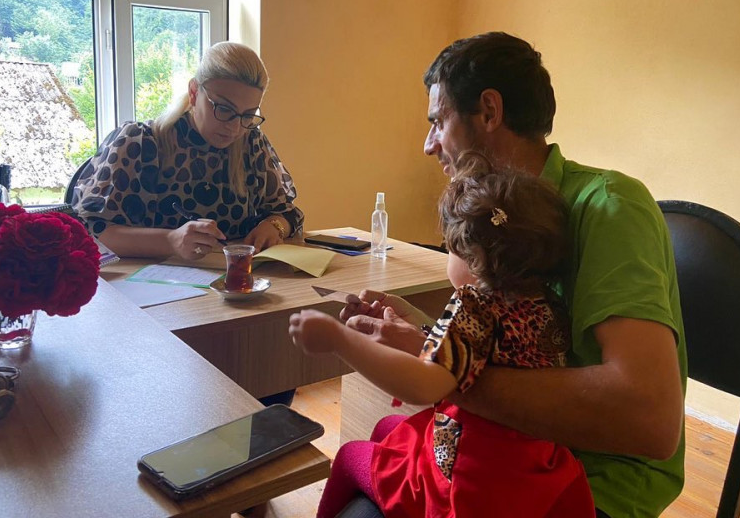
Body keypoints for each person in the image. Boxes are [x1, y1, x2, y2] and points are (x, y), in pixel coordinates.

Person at [338, 32, 686, 518]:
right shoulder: (485, 224)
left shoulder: (610, 208)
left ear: (489, 111)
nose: (428, 145)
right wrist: (427, 334)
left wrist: (434, 365)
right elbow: (515, 352)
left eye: (438, 122)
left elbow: (650, 421)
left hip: (582, 487)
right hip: (492, 452)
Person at [290, 150, 595, 518]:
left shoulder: (473, 306)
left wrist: (340, 340)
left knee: (349, 456)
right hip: (531, 469)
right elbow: (476, 357)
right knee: (388, 426)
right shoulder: (549, 305)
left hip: (471, 479)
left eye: (449, 249)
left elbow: (424, 385)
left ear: (473, 258)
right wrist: (408, 320)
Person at [72, 41, 303, 260]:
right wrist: (170, 241)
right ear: (194, 92)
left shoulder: (250, 143)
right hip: (153, 281)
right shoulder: (141, 142)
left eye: (248, 115)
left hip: (232, 279)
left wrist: (274, 226)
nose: (235, 128)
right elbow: (92, 230)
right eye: (224, 109)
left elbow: (286, 213)